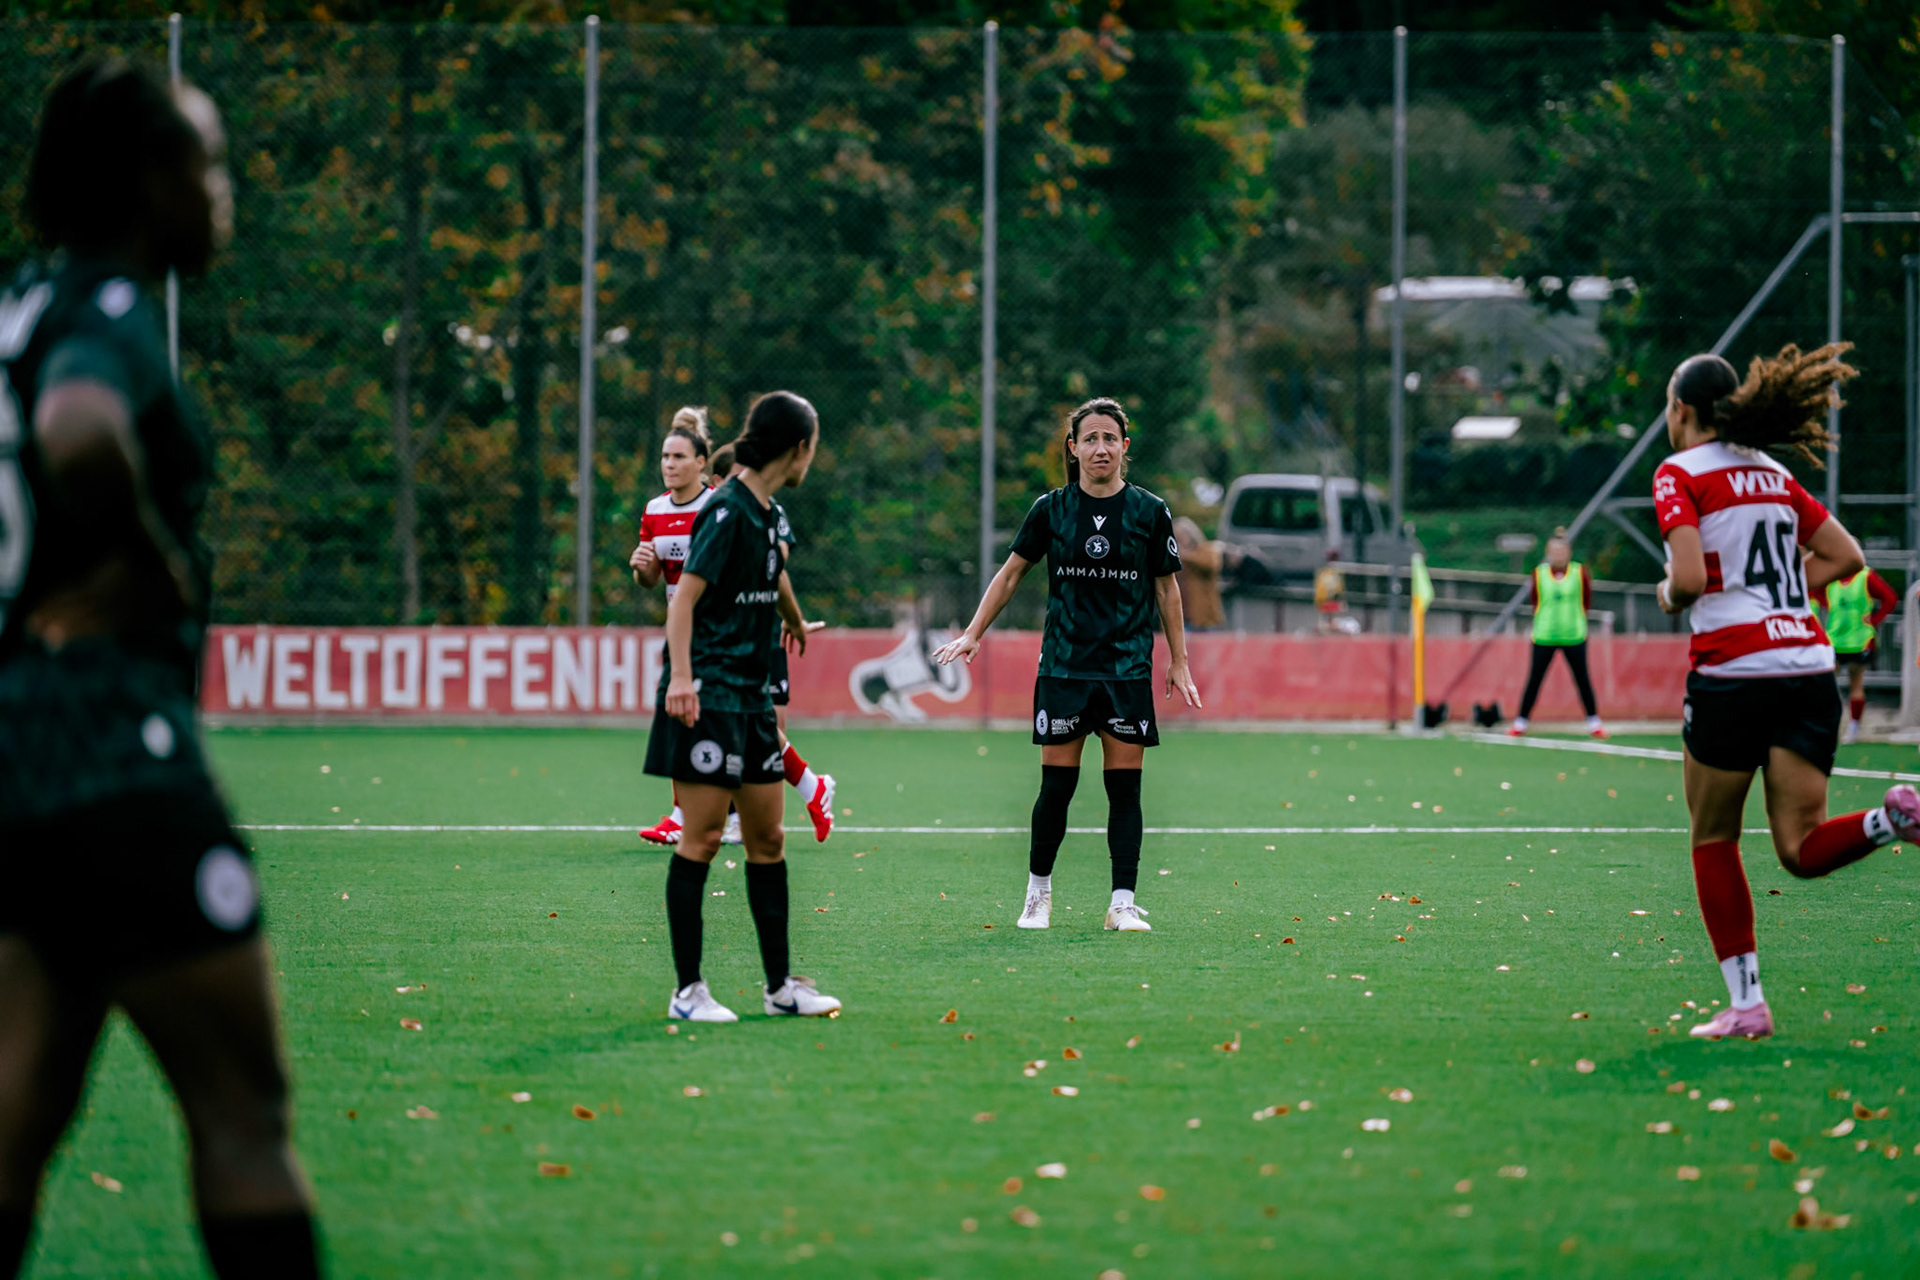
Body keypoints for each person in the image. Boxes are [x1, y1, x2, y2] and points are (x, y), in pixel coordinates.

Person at [0, 60, 321, 1277]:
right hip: (113, 758)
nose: (223, 191)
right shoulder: (106, 314)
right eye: (207, 162)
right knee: (243, 1113)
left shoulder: (17, 307)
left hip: (17, 759)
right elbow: (78, 431)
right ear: (145, 180)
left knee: (14, 1119)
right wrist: (151, 566)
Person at [1652, 344, 1919, 1041]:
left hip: (1734, 674)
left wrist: (1670, 592)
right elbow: (1846, 556)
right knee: (1797, 849)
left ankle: (1747, 1005)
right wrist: (1779, 599)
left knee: (1713, 835)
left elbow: (1685, 582)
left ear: (1682, 410)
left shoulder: (1679, 473)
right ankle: (1893, 820)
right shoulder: (1771, 472)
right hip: (1805, 668)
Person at [935, 397, 1202, 933]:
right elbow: (1011, 574)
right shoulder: (1050, 509)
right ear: (1074, 448)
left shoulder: (1150, 512)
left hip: (1126, 672)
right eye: (1090, 439)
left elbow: (1167, 589)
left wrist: (1179, 661)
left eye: (1110, 439)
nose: (1100, 448)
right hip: (1064, 670)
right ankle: (1038, 897)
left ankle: (1121, 904)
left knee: (1124, 792)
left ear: (1124, 449)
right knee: (1056, 788)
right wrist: (972, 632)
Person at [646, 391, 841, 1022]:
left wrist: (794, 621)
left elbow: (772, 577)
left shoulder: (763, 511)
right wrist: (682, 680)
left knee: (768, 840)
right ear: (800, 447)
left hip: (752, 700)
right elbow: (682, 603)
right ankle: (687, 993)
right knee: (700, 840)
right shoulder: (728, 509)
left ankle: (781, 987)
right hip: (708, 696)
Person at [633, 407, 716, 848]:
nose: (669, 464)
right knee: (679, 717)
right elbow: (651, 579)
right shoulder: (654, 510)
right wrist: (642, 568)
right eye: (665, 456)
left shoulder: (718, 506)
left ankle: (804, 785)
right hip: (679, 634)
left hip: (719, 634)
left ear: (701, 462)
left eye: (679, 456)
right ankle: (684, 814)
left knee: (724, 722)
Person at [1508, 529, 1606, 738]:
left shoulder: (1580, 572)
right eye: (1554, 550)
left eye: (1562, 550)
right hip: (1544, 636)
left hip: (1574, 636)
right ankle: (1521, 722)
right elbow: (1535, 601)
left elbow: (1586, 600)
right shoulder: (1539, 573)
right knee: (1534, 679)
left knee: (1583, 680)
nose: (1558, 554)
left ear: (1568, 552)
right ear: (1548, 552)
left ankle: (1594, 722)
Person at [1821, 566, 1897, 744]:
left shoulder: (1865, 576)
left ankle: (1854, 726)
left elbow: (1890, 598)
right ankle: (1829, 724)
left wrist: (1875, 620)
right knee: (1827, 684)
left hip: (1858, 640)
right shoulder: (1831, 575)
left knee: (1856, 683)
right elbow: (1814, 592)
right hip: (1835, 639)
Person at [1171, 516, 1224, 630]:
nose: (1180, 540)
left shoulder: (1205, 550)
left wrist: (1185, 555)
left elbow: (1211, 564)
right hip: (1180, 616)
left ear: (1191, 534)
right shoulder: (1174, 558)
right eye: (1176, 537)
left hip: (1202, 617)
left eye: (1182, 536)